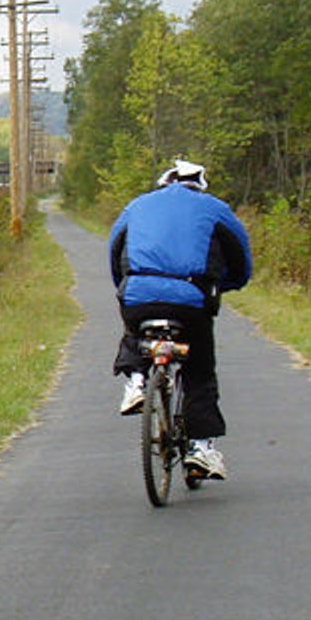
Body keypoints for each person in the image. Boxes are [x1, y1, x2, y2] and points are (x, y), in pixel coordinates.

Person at [108, 158, 253, 481]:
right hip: (191, 300)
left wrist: (127, 284)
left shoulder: (137, 206)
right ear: (200, 184)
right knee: (199, 369)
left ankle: (136, 381)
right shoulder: (215, 209)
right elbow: (241, 260)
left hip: (138, 294)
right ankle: (200, 449)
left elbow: (115, 250)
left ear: (164, 182)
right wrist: (226, 284)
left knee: (134, 333)